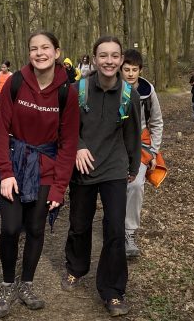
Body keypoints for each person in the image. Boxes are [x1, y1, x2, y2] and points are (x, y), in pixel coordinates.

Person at [0, 30, 80, 318]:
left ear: (56, 52)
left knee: (37, 229)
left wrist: (59, 187)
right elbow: (0, 130)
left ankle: (26, 283)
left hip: (46, 166)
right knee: (11, 227)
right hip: (13, 163)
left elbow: (68, 144)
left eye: (45, 48)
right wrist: (4, 172)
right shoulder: (15, 83)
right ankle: (7, 285)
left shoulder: (68, 92)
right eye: (33, 48)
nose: (39, 53)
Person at [62, 36, 141, 317]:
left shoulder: (129, 94)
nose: (109, 61)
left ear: (121, 60)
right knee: (80, 225)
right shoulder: (76, 90)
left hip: (114, 169)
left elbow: (133, 133)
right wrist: (79, 148)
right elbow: (65, 127)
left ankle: (113, 290)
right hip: (82, 168)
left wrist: (133, 166)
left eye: (115, 56)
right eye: (103, 55)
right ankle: (76, 267)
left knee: (115, 230)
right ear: (94, 59)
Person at [120, 49, 163, 258]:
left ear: (140, 70)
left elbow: (156, 122)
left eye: (134, 70)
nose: (130, 73)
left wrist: (153, 152)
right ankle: (113, 228)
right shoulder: (111, 87)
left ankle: (129, 233)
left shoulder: (148, 91)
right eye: (126, 69)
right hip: (115, 145)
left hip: (141, 145)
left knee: (136, 185)